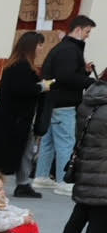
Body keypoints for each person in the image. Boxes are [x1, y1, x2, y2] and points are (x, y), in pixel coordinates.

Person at [0, 32, 46, 196]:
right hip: (14, 119)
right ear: (31, 46)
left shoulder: (17, 65)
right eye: (39, 45)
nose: (41, 49)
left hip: (13, 118)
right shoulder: (21, 66)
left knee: (25, 150)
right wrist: (41, 87)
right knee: (2, 153)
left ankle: (23, 183)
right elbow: (21, 90)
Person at [36, 14, 97, 190]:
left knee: (48, 141)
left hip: (53, 101)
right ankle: (63, 181)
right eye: (87, 31)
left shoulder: (63, 48)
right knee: (65, 142)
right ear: (77, 30)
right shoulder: (70, 50)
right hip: (64, 103)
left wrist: (83, 72)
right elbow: (66, 76)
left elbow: (65, 74)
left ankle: (41, 176)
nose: (88, 35)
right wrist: (91, 82)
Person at [64, 79, 107, 233]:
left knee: (80, 213)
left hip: (86, 165)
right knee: (100, 218)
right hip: (102, 171)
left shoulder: (88, 101)